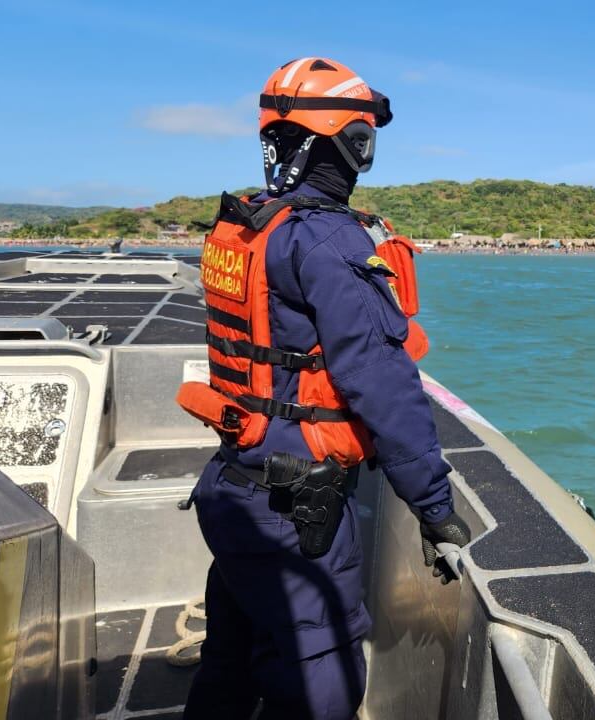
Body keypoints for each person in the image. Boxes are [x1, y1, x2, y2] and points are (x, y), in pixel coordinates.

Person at [177, 57, 470, 719]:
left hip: (231, 487)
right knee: (321, 673)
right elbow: (383, 384)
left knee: (230, 655)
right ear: (344, 144)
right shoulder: (330, 243)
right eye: (363, 140)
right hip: (293, 510)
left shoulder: (252, 224)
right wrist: (433, 507)